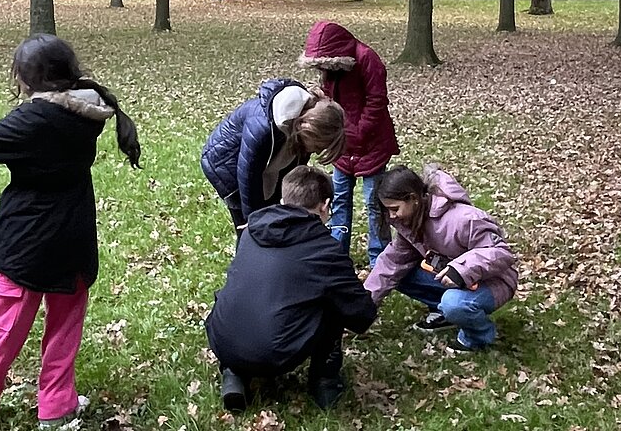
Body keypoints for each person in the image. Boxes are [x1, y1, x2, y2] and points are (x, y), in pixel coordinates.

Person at [0, 34, 141, 428]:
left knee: (5, 326)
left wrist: (20, 112)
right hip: (74, 235)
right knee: (65, 327)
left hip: (29, 241)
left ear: (30, 77)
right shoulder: (89, 109)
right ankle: (57, 407)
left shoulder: (35, 119)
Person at [205, 165, 377, 411]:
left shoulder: (251, 230)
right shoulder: (325, 250)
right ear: (325, 205)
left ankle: (233, 373)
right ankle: (325, 382)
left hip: (221, 339)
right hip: (273, 353)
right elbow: (361, 315)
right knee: (334, 305)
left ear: (284, 199)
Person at [363, 165, 517, 352]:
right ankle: (445, 313)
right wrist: (361, 306)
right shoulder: (412, 222)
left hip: (493, 281)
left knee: (454, 303)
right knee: (399, 273)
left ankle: (476, 338)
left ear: (413, 199)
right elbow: (391, 264)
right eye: (387, 210)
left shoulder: (463, 218)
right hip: (455, 278)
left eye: (394, 208)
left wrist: (461, 269)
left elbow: (501, 252)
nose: (391, 216)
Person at [298, 21, 399, 264]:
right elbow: (332, 99)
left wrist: (357, 134)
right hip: (342, 145)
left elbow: (377, 101)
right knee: (339, 198)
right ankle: (337, 253)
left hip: (371, 143)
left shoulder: (367, 59)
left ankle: (379, 258)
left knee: (375, 202)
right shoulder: (330, 68)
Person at [200, 78, 345, 238]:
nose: (317, 152)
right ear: (309, 129)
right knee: (249, 227)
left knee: (273, 217)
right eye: (318, 146)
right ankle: (246, 258)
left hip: (264, 167)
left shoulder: (303, 129)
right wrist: (254, 221)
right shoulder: (261, 127)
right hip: (225, 164)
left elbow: (290, 181)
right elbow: (248, 177)